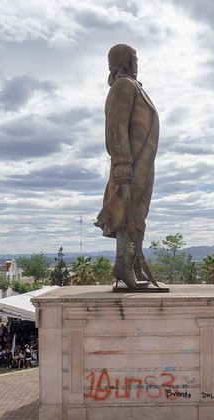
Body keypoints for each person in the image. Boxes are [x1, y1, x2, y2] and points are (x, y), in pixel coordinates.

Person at [95, 44, 160, 289]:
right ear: (128, 61)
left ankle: (131, 264)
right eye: (135, 58)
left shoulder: (134, 86)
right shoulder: (123, 85)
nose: (137, 63)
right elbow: (116, 125)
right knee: (128, 213)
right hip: (130, 163)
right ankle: (124, 265)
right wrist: (122, 161)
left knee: (138, 213)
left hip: (143, 161)